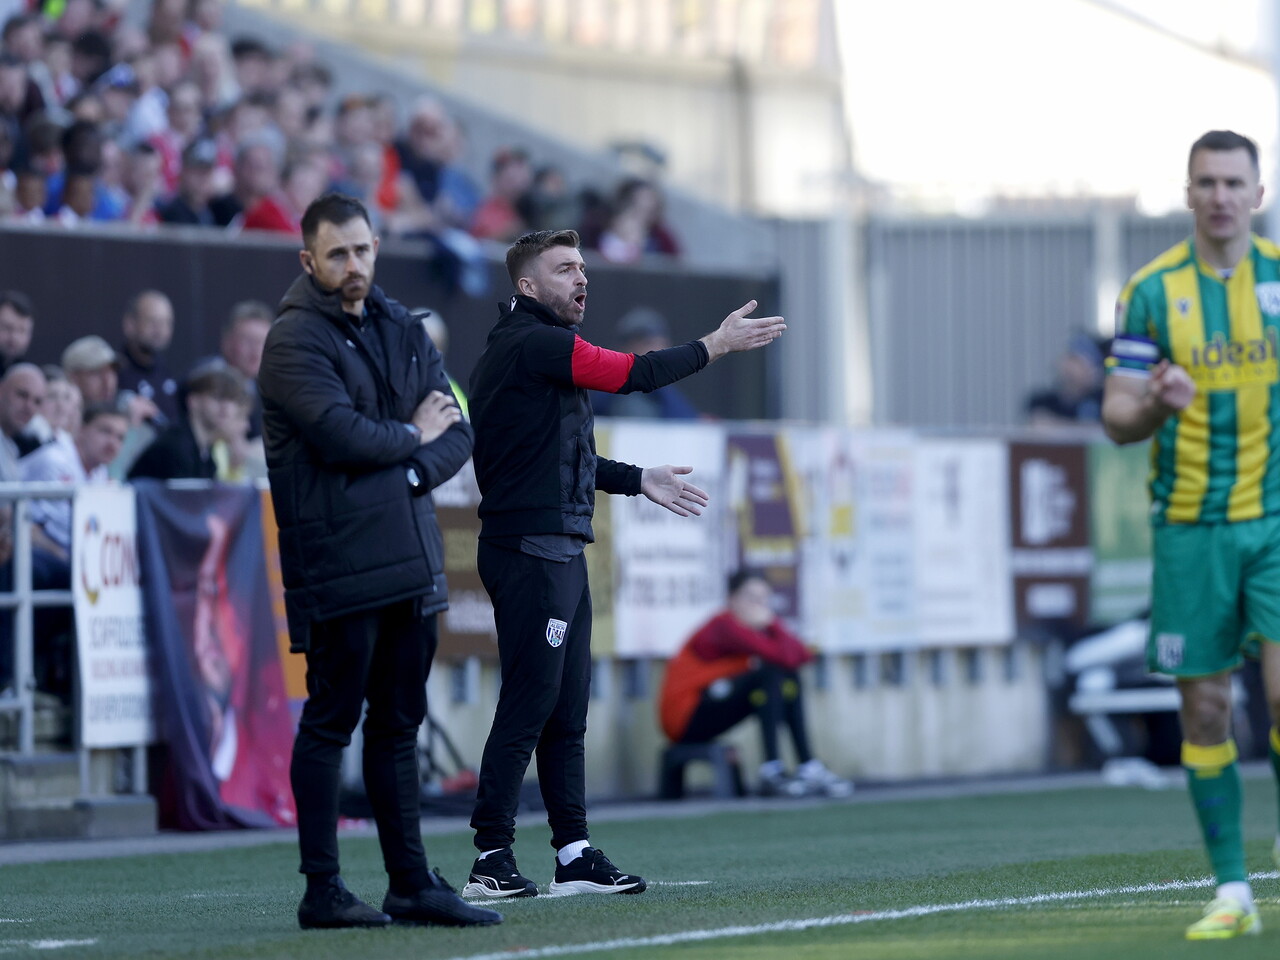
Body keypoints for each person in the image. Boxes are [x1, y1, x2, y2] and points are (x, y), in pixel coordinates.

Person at [461, 228, 784, 900]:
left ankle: (573, 853)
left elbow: (565, 462)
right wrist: (715, 345)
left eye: (583, 267)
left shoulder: (536, 354)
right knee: (531, 702)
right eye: (563, 269)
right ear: (527, 287)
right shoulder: (535, 343)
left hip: (559, 547)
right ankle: (490, 856)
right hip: (529, 550)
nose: (581, 278)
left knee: (566, 710)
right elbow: (634, 375)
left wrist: (640, 479)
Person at [256, 192, 498, 931]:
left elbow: (453, 427)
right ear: (309, 261)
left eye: (361, 250)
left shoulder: (401, 324)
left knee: (399, 725)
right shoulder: (292, 341)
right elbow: (340, 437)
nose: (353, 265)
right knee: (331, 721)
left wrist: (412, 470)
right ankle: (321, 888)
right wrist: (408, 437)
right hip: (339, 561)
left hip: (411, 556)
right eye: (337, 254)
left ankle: (410, 883)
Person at [1101, 129, 1280, 940]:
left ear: (1258, 194)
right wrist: (1159, 405)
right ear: (1188, 193)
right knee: (1206, 710)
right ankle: (1235, 892)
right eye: (1205, 181)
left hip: (1275, 521)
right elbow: (1116, 419)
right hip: (1189, 529)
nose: (1219, 196)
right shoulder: (1148, 291)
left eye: (1233, 182)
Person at [659, 570, 853, 799]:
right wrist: (773, 624)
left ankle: (807, 767)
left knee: (786, 677)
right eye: (750, 598)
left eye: (763, 599)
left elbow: (802, 655)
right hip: (684, 718)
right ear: (732, 599)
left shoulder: (753, 627)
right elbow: (784, 656)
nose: (757, 606)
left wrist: (773, 625)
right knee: (770, 673)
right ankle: (772, 771)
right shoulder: (724, 626)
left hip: (712, 706)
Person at [127, 365, 249, 481]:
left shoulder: (206, 451)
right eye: (217, 397)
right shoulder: (175, 446)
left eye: (232, 399)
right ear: (193, 401)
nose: (226, 407)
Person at [592, 307, 699, 420]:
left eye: (661, 344)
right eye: (648, 344)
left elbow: (687, 422)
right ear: (625, 348)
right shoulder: (616, 392)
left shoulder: (666, 392)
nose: (658, 351)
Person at [1024, 332, 1108, 428]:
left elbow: (1103, 430)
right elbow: (1038, 425)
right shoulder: (1042, 401)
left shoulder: (1103, 401)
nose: (1070, 367)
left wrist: (1055, 425)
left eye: (1078, 362)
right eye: (1069, 359)